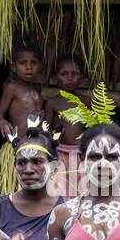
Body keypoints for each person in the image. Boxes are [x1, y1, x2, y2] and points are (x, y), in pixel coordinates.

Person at [0, 41, 45, 202]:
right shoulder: (12, 88)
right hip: (16, 147)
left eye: (33, 63)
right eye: (23, 63)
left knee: (32, 188)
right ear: (13, 67)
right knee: (13, 188)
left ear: (40, 66)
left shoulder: (38, 91)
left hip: (35, 146)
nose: (28, 67)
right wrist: (2, 122)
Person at [43, 53, 88, 197]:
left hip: (81, 154)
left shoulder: (86, 102)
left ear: (82, 78)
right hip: (60, 153)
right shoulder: (53, 103)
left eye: (74, 74)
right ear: (55, 78)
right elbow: (45, 128)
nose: (69, 78)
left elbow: (95, 126)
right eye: (64, 74)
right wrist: (53, 133)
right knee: (60, 189)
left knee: (81, 189)